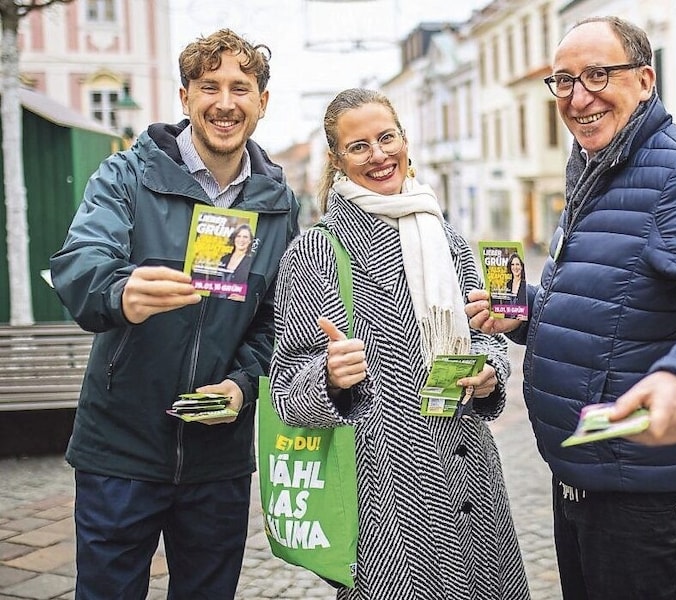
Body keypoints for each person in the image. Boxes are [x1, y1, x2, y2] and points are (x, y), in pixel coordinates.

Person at [466, 16, 676, 600]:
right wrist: (526, 310)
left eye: (598, 74)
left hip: (646, 493)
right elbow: (610, 293)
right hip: (584, 473)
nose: (579, 97)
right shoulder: (593, 166)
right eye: (564, 80)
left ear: (645, 80)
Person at [49, 29, 299, 600]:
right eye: (208, 86)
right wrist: (120, 292)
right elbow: (79, 265)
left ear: (262, 102)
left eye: (241, 87)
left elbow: (276, 320)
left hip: (219, 459)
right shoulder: (125, 176)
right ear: (185, 98)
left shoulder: (279, 203)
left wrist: (242, 385)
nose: (225, 102)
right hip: (121, 448)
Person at [269, 87, 530, 600]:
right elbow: (285, 389)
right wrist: (327, 377)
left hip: (471, 482)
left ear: (405, 140)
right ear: (337, 159)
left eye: (386, 138)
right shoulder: (315, 252)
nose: (379, 155)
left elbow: (487, 336)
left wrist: (489, 373)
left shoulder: (446, 237)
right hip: (386, 501)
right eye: (359, 146)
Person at [219, 223, 255, 301]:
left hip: (235, 306)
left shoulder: (251, 262)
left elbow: (254, 290)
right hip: (215, 302)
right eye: (238, 236)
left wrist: (244, 298)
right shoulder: (224, 258)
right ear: (234, 238)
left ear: (250, 241)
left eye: (245, 237)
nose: (241, 240)